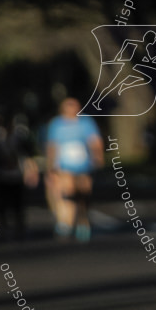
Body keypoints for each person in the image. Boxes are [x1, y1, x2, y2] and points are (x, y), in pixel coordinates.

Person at [45, 97, 103, 242]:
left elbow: (95, 141)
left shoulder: (86, 122)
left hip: (84, 166)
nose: (72, 108)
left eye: (75, 105)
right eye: (69, 105)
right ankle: (65, 222)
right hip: (65, 166)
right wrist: (51, 166)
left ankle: (83, 221)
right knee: (68, 192)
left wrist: (98, 156)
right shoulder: (56, 124)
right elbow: (52, 146)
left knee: (83, 195)